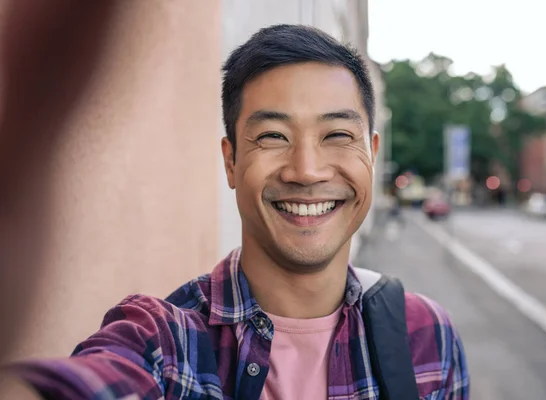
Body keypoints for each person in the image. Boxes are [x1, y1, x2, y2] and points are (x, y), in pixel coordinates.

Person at [0, 24, 469, 399]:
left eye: (337, 135)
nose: (306, 171)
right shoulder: (166, 344)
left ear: (372, 152)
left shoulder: (427, 337)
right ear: (231, 160)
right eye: (272, 137)